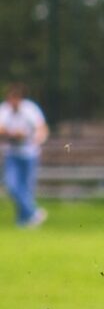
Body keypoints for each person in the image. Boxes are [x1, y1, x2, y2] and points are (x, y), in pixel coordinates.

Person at [0, 83, 50, 227]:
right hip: (12, 154)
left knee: (26, 188)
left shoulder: (30, 109)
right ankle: (34, 212)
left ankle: (23, 220)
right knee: (12, 186)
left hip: (29, 154)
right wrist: (13, 133)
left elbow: (41, 128)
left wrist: (37, 139)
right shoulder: (4, 110)